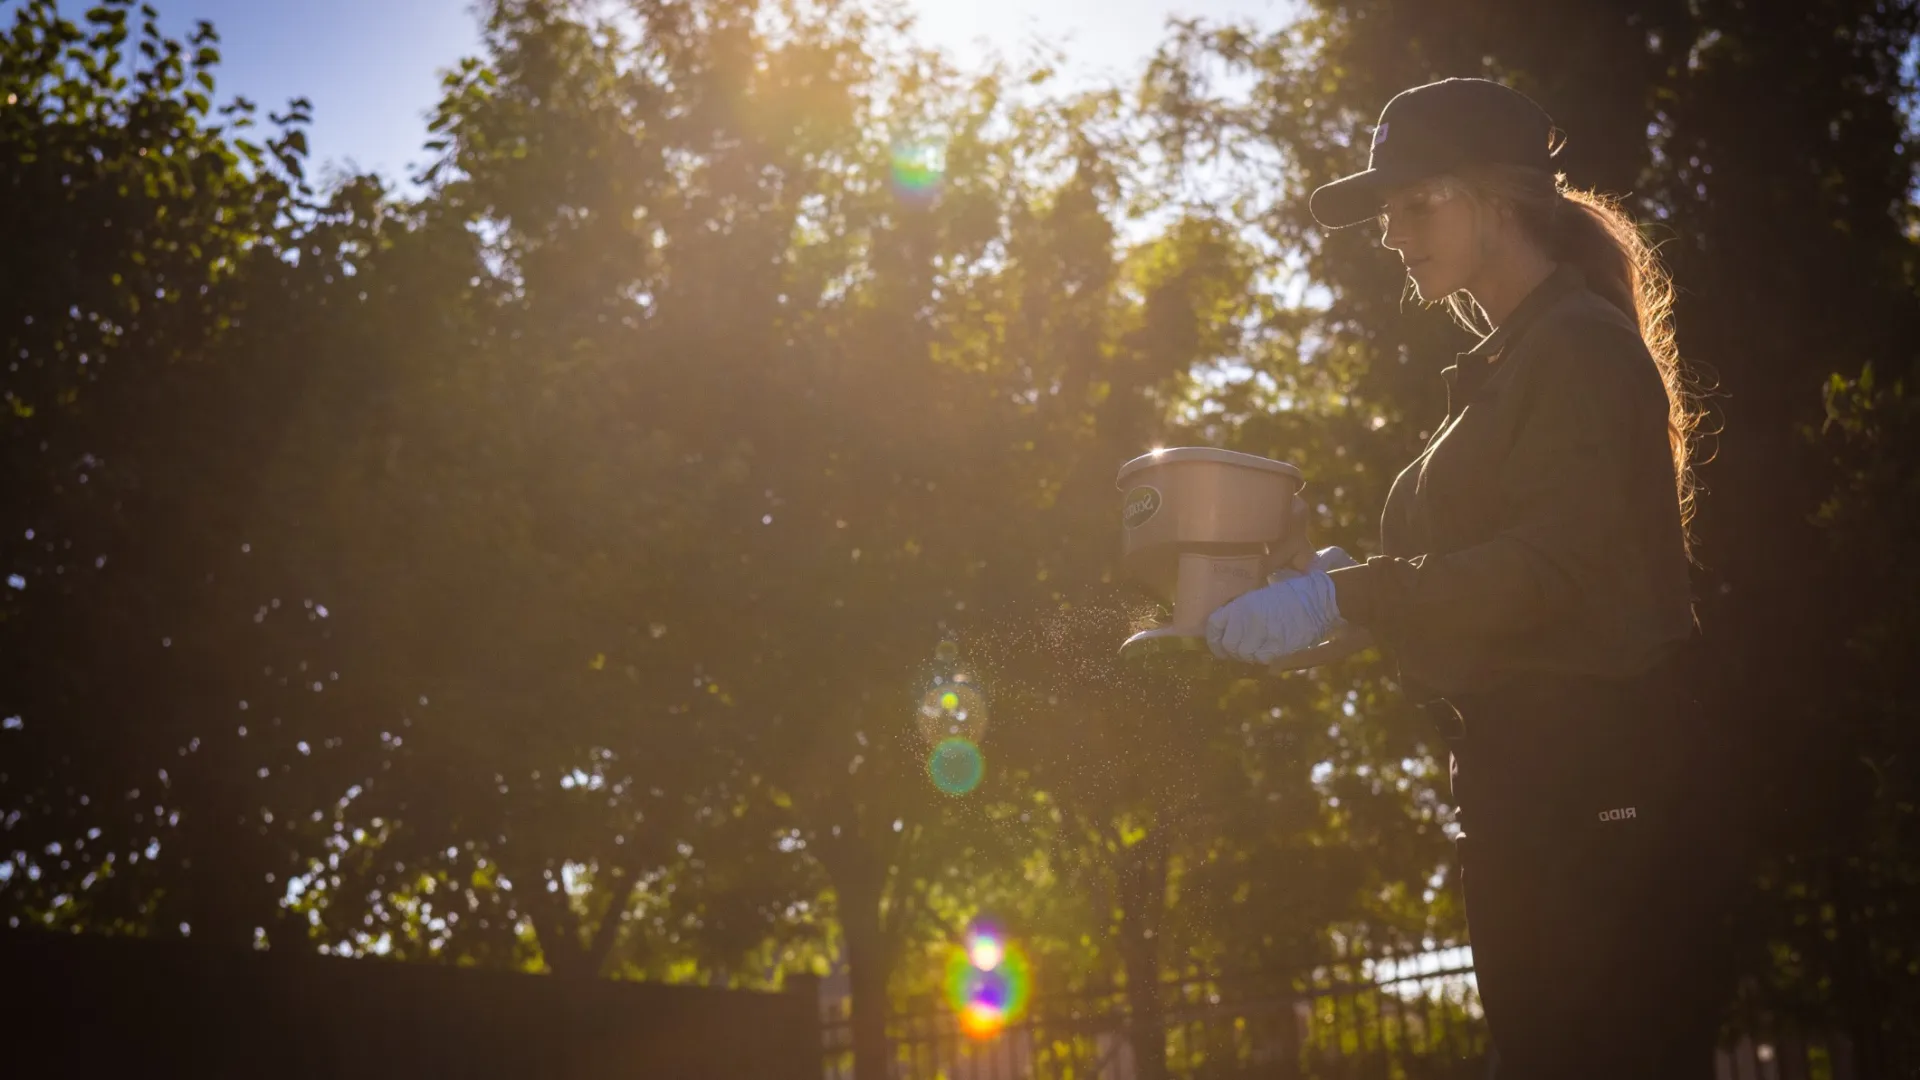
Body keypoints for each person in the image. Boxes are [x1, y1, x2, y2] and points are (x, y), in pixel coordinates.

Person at [1206, 78, 1737, 1077]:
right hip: (1534, 797)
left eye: (1418, 202)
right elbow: (1474, 579)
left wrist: (1346, 596)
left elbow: (1550, 571)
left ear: (1501, 198)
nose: (1394, 234)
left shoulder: (1576, 346)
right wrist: (1327, 590)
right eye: (1387, 213)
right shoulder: (1512, 361)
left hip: (1603, 797)